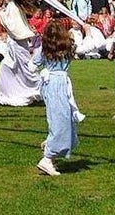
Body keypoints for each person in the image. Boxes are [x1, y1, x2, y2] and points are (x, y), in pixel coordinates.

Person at [35, 19, 82, 176]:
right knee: (60, 118)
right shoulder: (69, 46)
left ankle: (51, 144)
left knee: (61, 117)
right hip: (58, 84)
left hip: (51, 84)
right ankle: (47, 158)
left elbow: (32, 64)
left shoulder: (45, 50)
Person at [0, 0, 41, 106]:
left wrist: (2, 14)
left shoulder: (13, 7)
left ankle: (42, 89)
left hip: (18, 43)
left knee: (26, 69)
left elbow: (13, 27)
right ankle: (4, 95)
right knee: (6, 68)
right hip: (13, 43)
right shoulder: (10, 6)